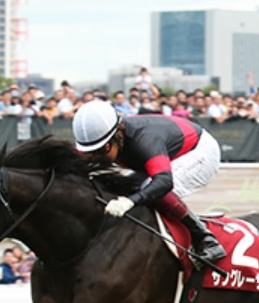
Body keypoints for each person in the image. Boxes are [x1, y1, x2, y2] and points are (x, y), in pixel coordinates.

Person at [72, 100, 226, 264]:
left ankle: (206, 239)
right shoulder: (105, 140)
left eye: (103, 150)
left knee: (149, 188)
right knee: (125, 186)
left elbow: (164, 182)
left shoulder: (145, 139)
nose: (97, 157)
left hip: (200, 151)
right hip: (167, 153)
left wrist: (130, 202)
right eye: (92, 152)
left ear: (118, 135)